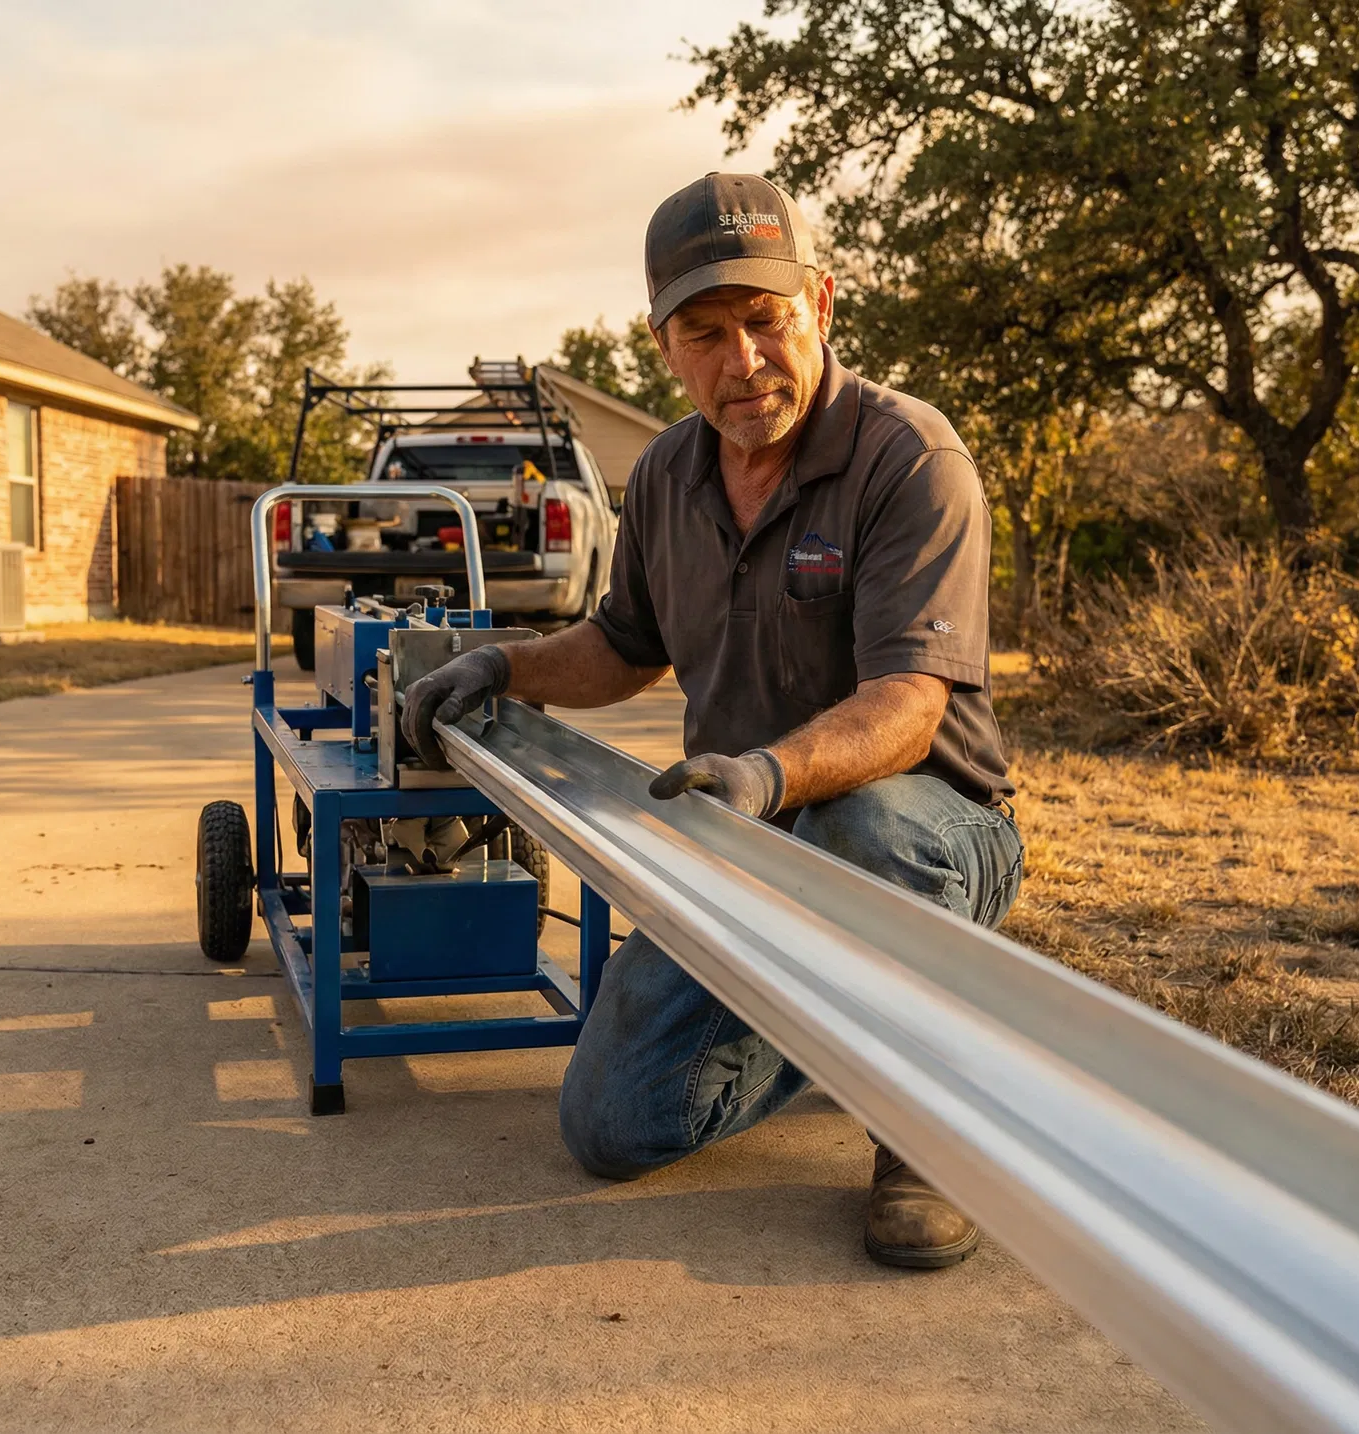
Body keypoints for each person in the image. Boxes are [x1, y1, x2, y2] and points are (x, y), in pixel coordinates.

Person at [401, 172, 1022, 1269]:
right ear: (664, 349)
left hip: (928, 832)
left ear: (819, 304)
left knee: (867, 828)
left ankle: (929, 1128)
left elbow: (909, 704)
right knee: (611, 1126)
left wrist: (764, 775)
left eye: (766, 320)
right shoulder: (665, 476)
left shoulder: (909, 459)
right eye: (705, 334)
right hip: (751, 840)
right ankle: (841, 1021)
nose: (744, 361)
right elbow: (624, 645)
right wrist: (500, 664)